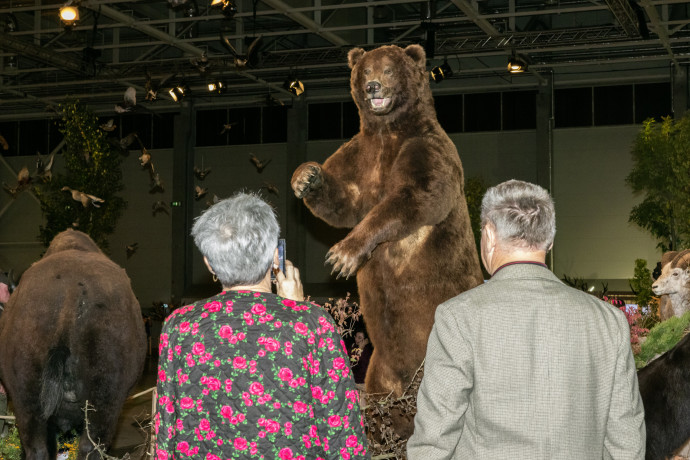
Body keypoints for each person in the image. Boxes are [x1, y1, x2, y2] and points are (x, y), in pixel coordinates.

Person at [407, 179, 645, 459]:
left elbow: (433, 443)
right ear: (550, 240)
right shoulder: (609, 322)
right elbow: (627, 444)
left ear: (489, 234)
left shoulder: (458, 317)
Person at [154, 192, 369, 459]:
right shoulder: (312, 323)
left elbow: (167, 429)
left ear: (209, 262)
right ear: (275, 257)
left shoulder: (178, 326)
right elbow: (343, 435)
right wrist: (298, 311)